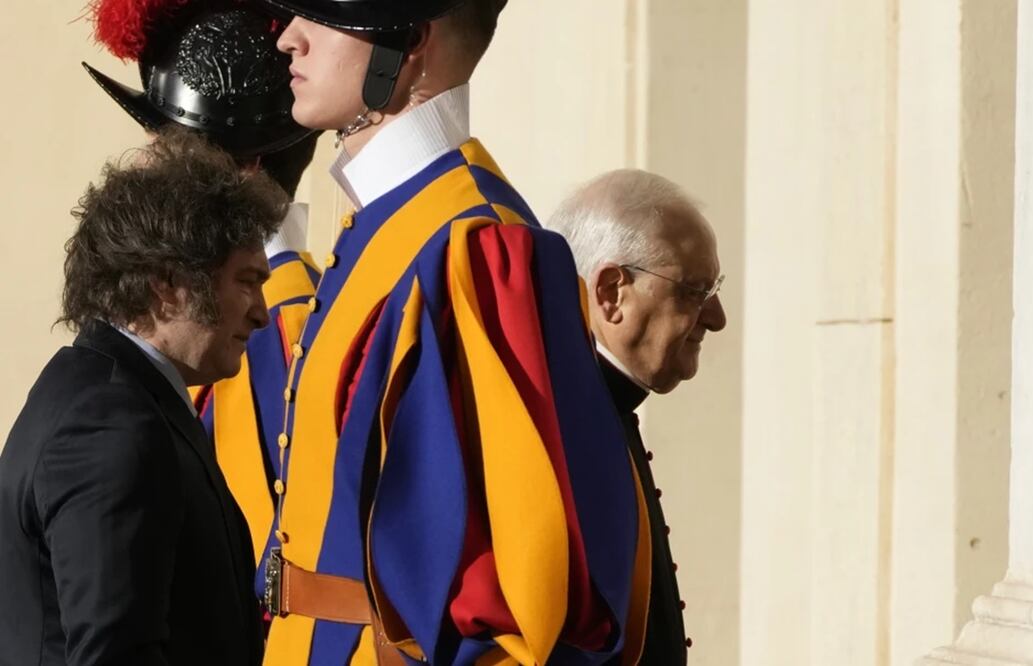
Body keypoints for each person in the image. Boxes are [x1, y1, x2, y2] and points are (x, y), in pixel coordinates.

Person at [256, 1, 650, 664]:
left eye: (320, 15)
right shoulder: (390, 224)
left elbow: (518, 597)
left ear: (408, 40)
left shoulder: (477, 248)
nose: (288, 41)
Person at [0, 130, 287, 666]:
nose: (261, 312)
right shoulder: (109, 425)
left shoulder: (111, 395)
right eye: (247, 281)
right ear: (166, 283)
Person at [83, 0, 323, 594]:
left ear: (226, 178)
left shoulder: (275, 330)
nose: (142, 163)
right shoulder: (236, 312)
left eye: (163, 146)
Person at [547, 169, 728, 665]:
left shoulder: (594, 408)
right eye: (694, 290)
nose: (717, 318)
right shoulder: (553, 437)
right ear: (610, 292)